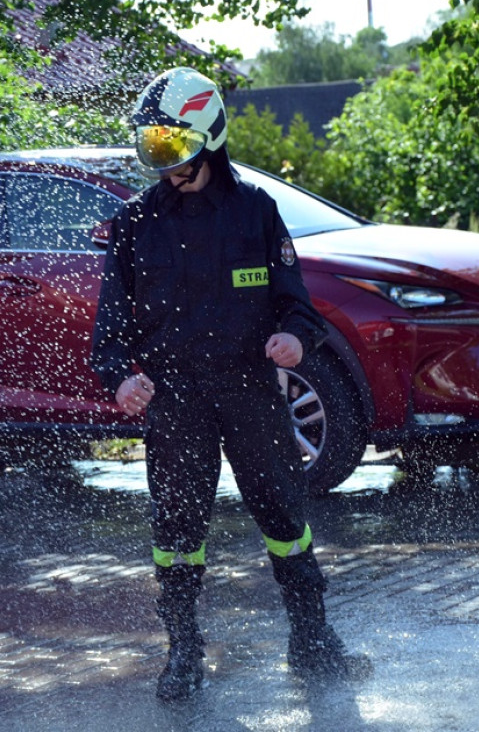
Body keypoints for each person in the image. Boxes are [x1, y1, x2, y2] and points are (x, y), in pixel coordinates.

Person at [91, 66, 371, 702]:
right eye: (153, 145)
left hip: (250, 394)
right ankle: (183, 651)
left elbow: (297, 306)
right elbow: (109, 332)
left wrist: (294, 339)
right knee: (177, 532)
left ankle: (313, 640)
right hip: (175, 402)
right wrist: (121, 379)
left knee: (284, 517)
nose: (163, 160)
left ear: (207, 137)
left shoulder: (255, 212)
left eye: (172, 144)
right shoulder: (135, 223)